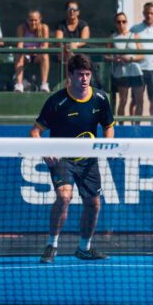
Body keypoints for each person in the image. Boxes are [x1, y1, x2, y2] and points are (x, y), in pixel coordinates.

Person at [30, 54, 115, 264]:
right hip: (62, 158)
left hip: (88, 159)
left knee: (94, 204)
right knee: (64, 197)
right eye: (80, 75)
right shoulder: (57, 101)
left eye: (87, 74)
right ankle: (52, 245)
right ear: (70, 75)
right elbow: (35, 132)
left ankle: (84, 248)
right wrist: (44, 150)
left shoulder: (100, 98)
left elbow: (108, 126)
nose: (84, 79)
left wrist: (106, 146)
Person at [129, 2, 153, 117]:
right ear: (143, 13)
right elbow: (129, 47)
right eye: (147, 13)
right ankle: (134, 125)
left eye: (151, 13)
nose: (149, 15)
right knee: (136, 100)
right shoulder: (135, 29)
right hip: (138, 69)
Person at [105, 12, 143, 118]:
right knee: (123, 100)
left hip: (135, 71)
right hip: (121, 72)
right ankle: (121, 124)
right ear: (115, 23)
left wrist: (131, 58)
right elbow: (106, 56)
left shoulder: (134, 35)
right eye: (118, 22)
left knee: (139, 100)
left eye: (123, 21)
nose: (121, 24)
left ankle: (136, 125)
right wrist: (114, 59)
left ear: (127, 22)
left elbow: (142, 55)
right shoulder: (112, 37)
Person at [13, 10, 50, 93]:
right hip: (25, 55)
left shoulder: (44, 28)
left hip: (38, 55)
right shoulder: (21, 28)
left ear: (40, 19)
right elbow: (19, 46)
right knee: (18, 54)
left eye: (35, 20)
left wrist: (36, 50)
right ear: (27, 20)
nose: (33, 23)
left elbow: (45, 46)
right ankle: (19, 85)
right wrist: (28, 50)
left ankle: (44, 85)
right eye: (31, 20)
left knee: (45, 55)